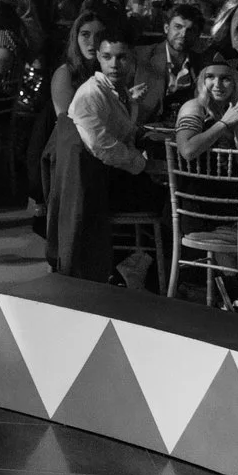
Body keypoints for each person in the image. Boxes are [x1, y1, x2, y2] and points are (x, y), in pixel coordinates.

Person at [47, 23, 169, 284]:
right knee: (173, 199)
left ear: (132, 59)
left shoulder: (115, 91)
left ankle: (152, 273)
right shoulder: (91, 93)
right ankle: (161, 277)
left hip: (110, 178)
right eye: (107, 57)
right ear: (98, 59)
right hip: (98, 187)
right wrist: (145, 166)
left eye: (122, 57)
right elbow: (103, 147)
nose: (115, 64)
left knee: (172, 189)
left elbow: (120, 130)